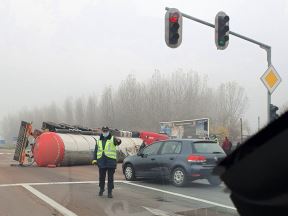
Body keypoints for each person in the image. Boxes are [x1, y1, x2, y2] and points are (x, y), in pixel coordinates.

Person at [92, 126, 121, 198]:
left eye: (106, 131)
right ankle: (101, 189)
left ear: (108, 131)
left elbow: (118, 142)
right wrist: (95, 159)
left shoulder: (112, 139)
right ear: (102, 131)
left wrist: (119, 141)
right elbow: (96, 151)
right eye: (104, 131)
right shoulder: (99, 140)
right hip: (101, 161)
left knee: (110, 178)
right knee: (102, 177)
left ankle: (110, 192)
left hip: (111, 161)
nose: (105, 132)